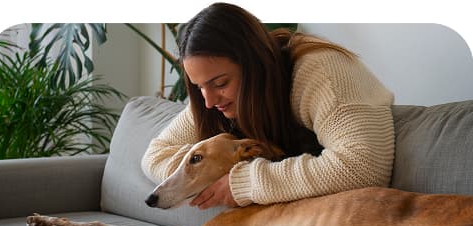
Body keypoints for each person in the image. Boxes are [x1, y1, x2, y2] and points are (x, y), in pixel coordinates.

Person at [142, 2, 395, 210]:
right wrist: (202, 172)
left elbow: (362, 167)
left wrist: (242, 182)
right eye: (199, 87)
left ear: (254, 65)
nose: (208, 102)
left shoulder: (321, 72)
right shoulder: (217, 99)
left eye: (220, 83)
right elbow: (155, 156)